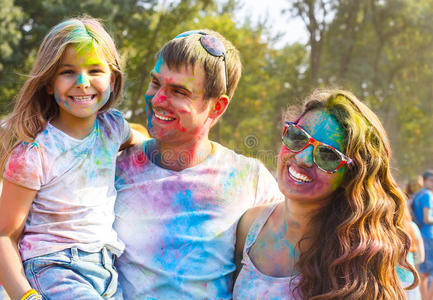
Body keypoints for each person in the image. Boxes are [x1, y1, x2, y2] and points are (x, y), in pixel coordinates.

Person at [114, 30, 283, 299]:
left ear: (217, 107)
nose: (157, 99)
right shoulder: (114, 167)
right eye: (155, 83)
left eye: (178, 91)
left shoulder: (250, 180)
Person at [233, 89, 418, 299]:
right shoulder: (249, 226)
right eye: (297, 136)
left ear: (351, 177)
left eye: (327, 155)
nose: (303, 158)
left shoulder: (372, 255)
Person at [0, 17, 135, 299]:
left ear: (113, 78)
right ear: (49, 83)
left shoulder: (113, 128)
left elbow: (147, 145)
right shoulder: (34, 153)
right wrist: (24, 295)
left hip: (106, 271)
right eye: (68, 72)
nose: (83, 82)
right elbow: (4, 234)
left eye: (95, 70)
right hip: (54, 267)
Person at [413, 170, 433, 300]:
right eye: (431, 180)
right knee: (426, 274)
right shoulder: (427, 195)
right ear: (425, 181)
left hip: (420, 236)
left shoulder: (417, 195)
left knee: (423, 273)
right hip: (429, 236)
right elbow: (427, 219)